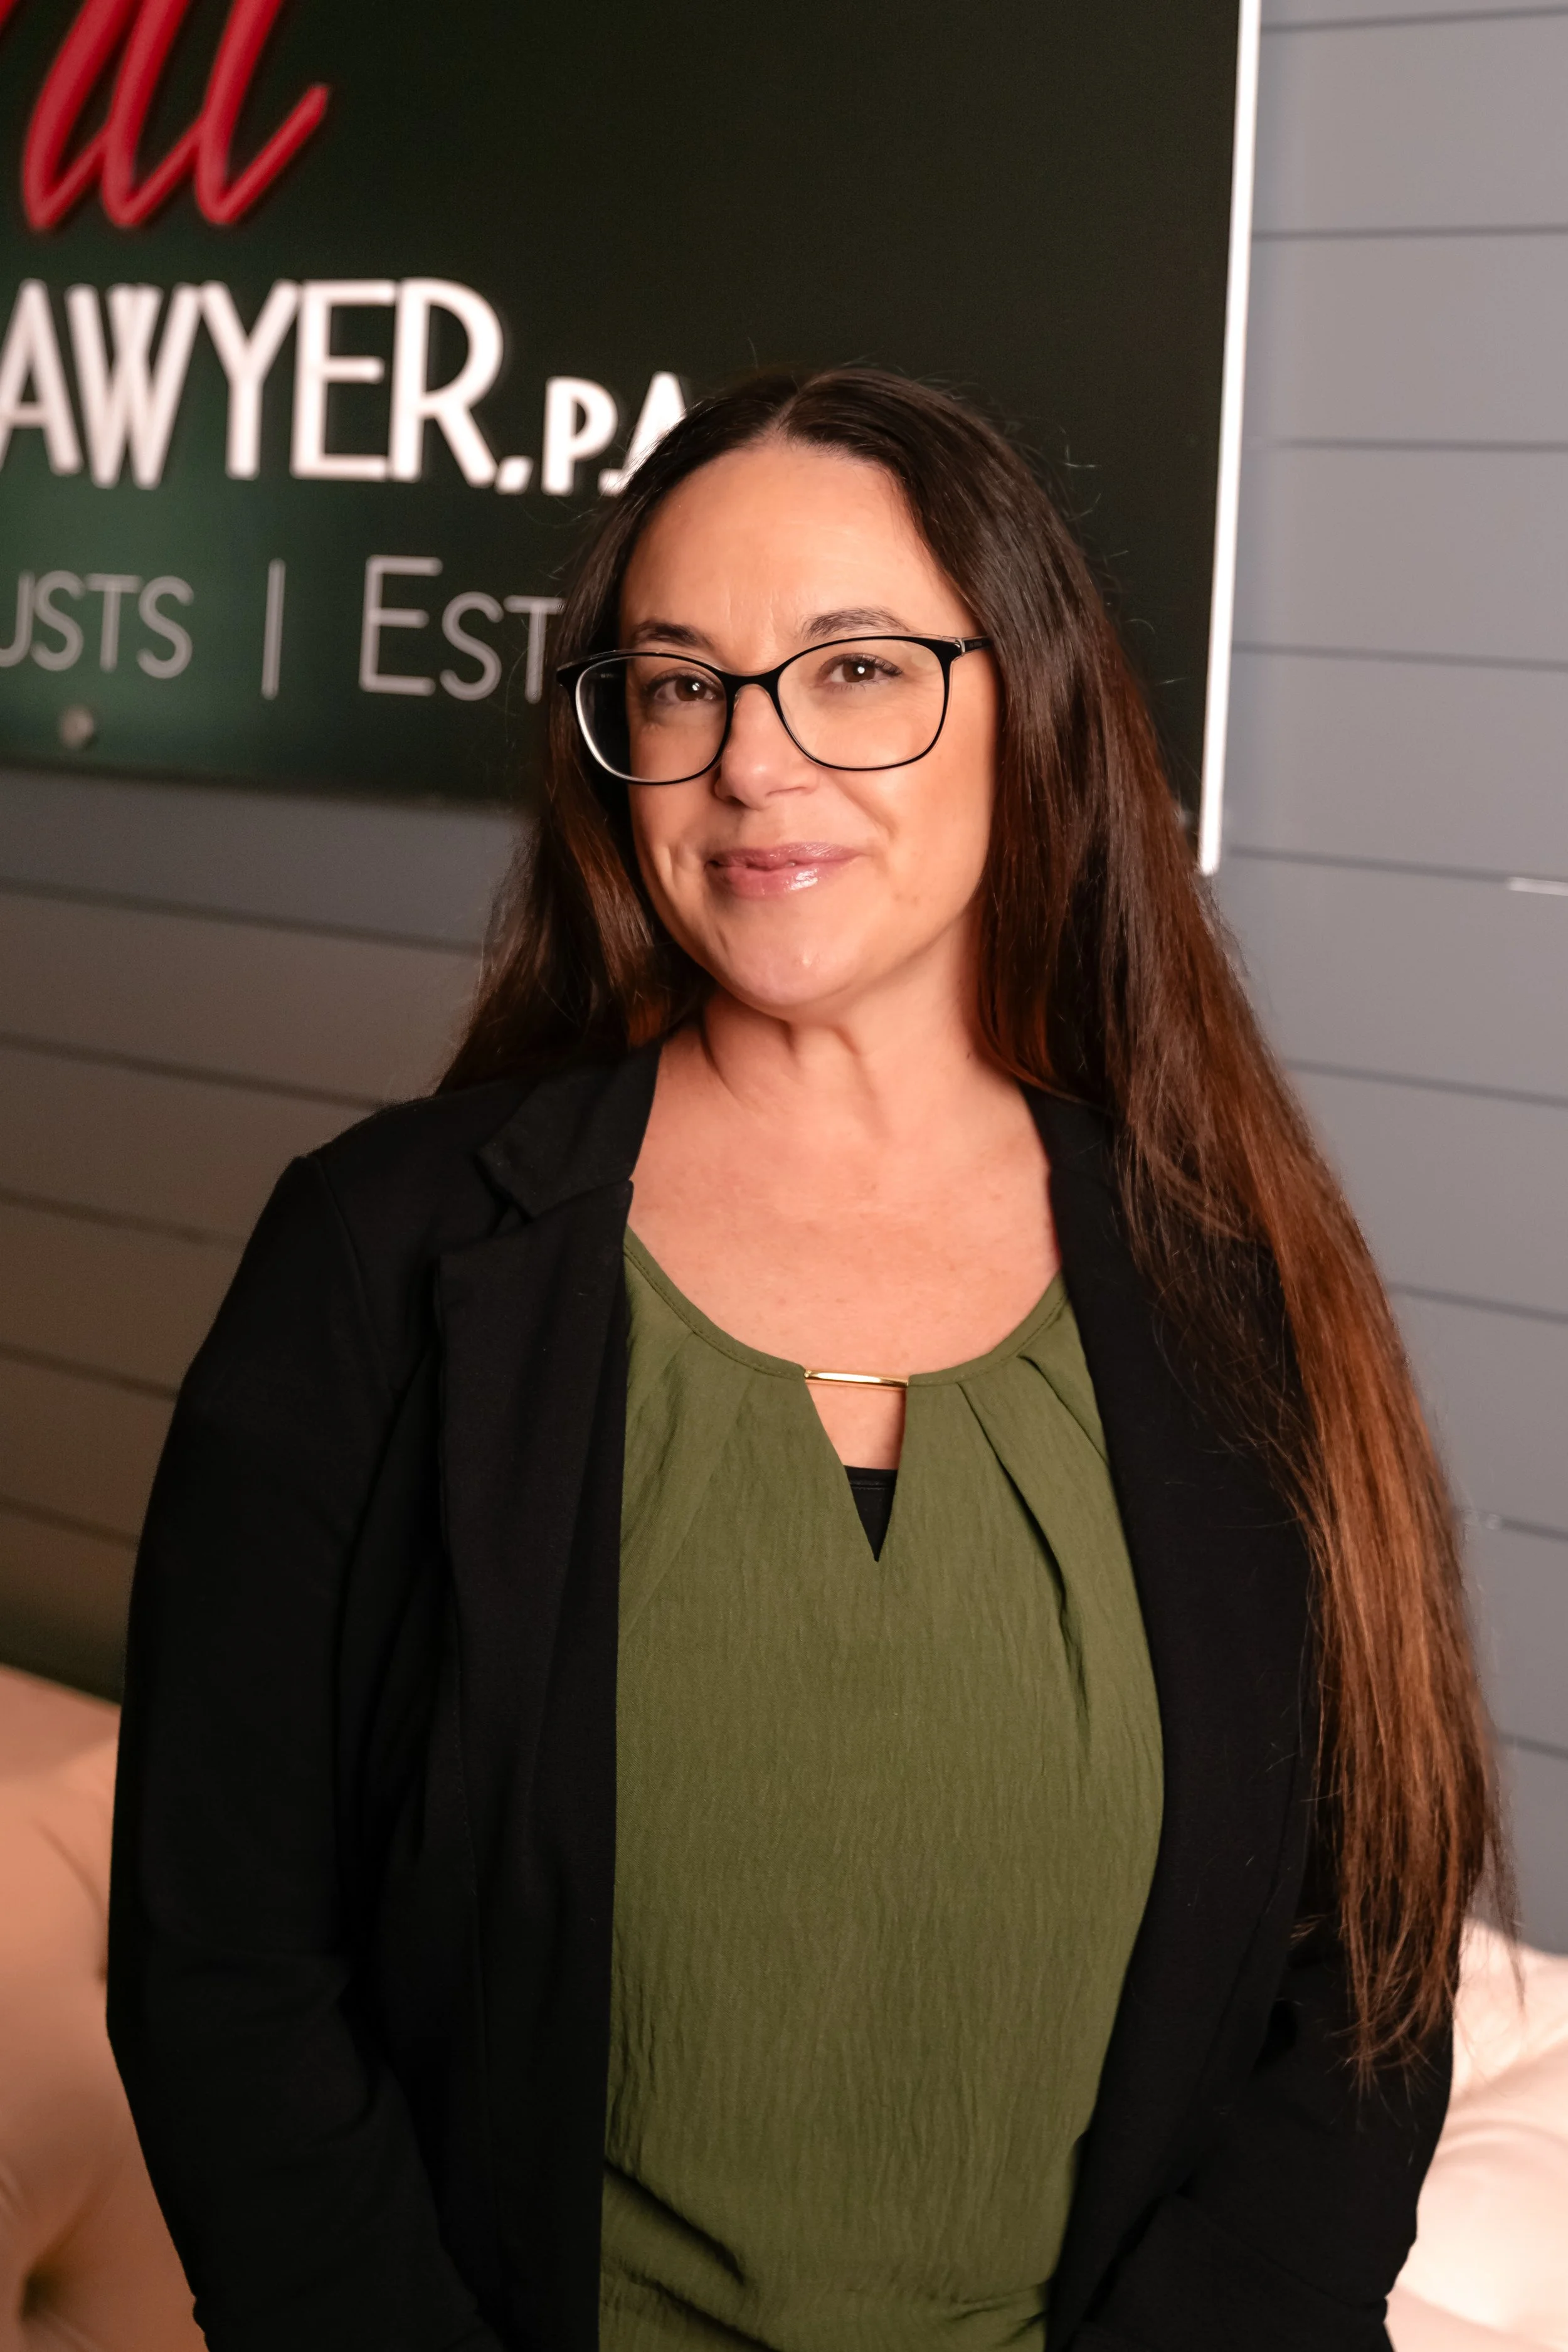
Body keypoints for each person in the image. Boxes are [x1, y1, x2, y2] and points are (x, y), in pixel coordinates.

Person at [109, 368, 1500, 2352]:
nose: (752, 764)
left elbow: (1358, 1983)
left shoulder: (1235, 1287)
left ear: (1023, 697)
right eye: (679, 686)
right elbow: (224, 1968)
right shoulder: (381, 1257)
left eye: (852, 670)